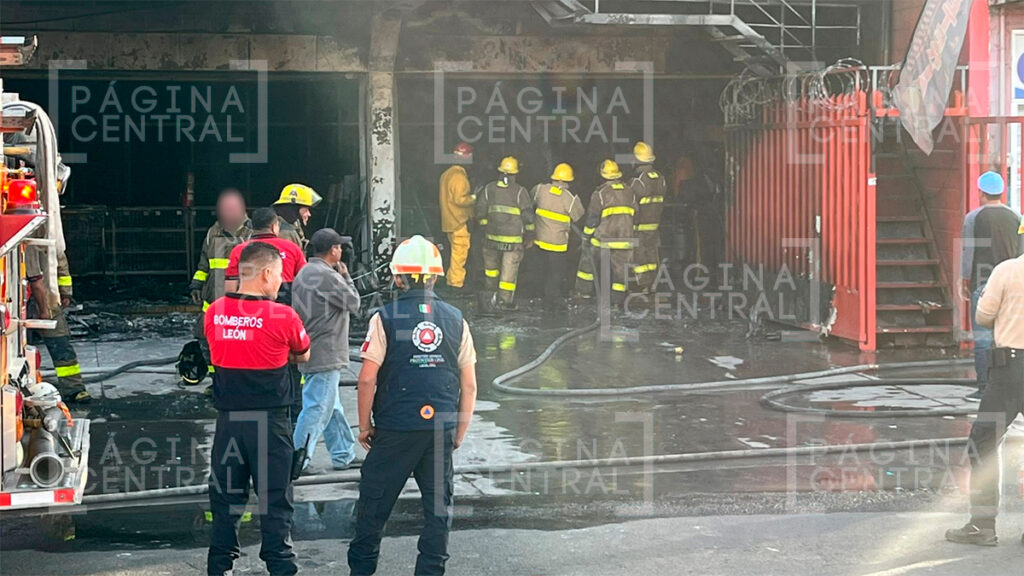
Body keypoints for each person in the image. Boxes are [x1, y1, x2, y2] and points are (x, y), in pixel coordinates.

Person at [348, 235, 478, 576]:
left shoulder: (384, 318)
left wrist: (365, 426)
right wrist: (459, 432)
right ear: (435, 277)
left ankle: (361, 570)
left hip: (395, 428)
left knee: (373, 508)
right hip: (439, 430)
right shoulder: (456, 319)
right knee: (438, 512)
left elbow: (367, 379)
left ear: (398, 278)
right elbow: (469, 384)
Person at [205, 242, 311, 576]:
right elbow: (304, 353)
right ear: (266, 273)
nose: (281, 282)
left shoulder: (215, 312)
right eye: (279, 275)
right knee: (276, 499)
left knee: (225, 499)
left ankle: (220, 566)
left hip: (229, 423)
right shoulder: (283, 316)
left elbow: (216, 350)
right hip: (270, 424)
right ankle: (280, 566)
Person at [944, 225, 1024, 547]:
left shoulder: (1007, 270)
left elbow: (984, 315)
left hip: (1010, 371)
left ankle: (982, 525)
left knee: (984, 442)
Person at [291, 228, 361, 474]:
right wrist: (346, 276)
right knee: (317, 408)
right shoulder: (326, 275)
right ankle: (298, 460)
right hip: (325, 352)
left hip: (312, 348)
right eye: (340, 247)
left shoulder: (305, 272)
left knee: (332, 407)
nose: (341, 251)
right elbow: (354, 303)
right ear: (333, 250)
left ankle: (343, 455)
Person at [959, 171, 1020, 398]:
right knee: (1008, 339)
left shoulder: (973, 218)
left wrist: (964, 279)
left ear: (981, 193)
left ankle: (984, 388)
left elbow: (968, 252)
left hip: (983, 285)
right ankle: (1007, 387)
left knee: (983, 339)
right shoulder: (1017, 217)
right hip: (1012, 287)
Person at [188, 188, 252, 380]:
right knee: (206, 339)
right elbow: (204, 264)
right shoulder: (213, 232)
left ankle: (237, 381)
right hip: (212, 299)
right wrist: (196, 286)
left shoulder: (250, 233)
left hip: (240, 301)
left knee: (239, 342)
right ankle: (216, 381)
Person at [25, 245, 90, 403]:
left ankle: (74, 389)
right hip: (25, 302)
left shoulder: (46, 240)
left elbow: (60, 261)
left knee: (61, 345)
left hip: (47, 301)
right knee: (22, 350)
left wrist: (65, 291)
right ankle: (27, 388)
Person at [573, 159, 637, 307]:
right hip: (625, 239)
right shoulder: (629, 191)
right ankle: (617, 301)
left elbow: (592, 219)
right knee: (621, 272)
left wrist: (585, 237)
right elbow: (635, 213)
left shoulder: (600, 194)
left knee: (587, 263)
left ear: (602, 175)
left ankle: (582, 293)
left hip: (604, 239)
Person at [475, 156, 534, 310]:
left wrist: (485, 229)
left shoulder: (488, 189)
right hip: (513, 243)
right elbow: (528, 217)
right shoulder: (520, 192)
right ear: (515, 174)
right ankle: (505, 302)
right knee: (508, 274)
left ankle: (490, 298)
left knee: (491, 271)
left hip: (490, 240)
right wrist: (530, 235)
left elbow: (480, 212)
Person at [225, 207, 307, 306]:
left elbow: (230, 288)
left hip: (249, 308)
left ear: (253, 227)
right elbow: (305, 281)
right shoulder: (292, 248)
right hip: (284, 307)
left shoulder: (238, 250)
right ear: (274, 226)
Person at [531, 162, 584, 310]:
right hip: (558, 244)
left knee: (540, 270)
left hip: (539, 241)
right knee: (555, 274)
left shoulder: (539, 189)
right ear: (567, 181)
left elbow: (529, 203)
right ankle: (550, 301)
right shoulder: (569, 198)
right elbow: (579, 216)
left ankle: (537, 297)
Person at [629, 142, 666, 293]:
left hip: (639, 226)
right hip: (655, 225)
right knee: (652, 254)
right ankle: (652, 284)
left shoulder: (637, 181)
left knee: (639, 256)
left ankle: (643, 285)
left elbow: (631, 205)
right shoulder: (661, 178)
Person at [439, 142, 475, 290]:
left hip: (449, 221)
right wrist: (474, 197)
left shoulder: (446, 174)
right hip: (459, 222)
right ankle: (456, 285)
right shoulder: (459, 177)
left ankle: (451, 280)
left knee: (454, 255)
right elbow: (460, 200)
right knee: (459, 256)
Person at [273, 183, 322, 250]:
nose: (309, 214)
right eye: (306, 209)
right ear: (294, 209)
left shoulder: (293, 226)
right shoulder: (285, 233)